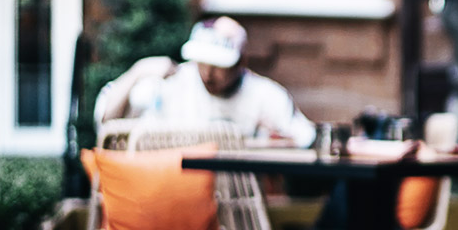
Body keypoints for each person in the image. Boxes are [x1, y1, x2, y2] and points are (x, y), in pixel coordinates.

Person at [94, 15, 316, 148]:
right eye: (201, 62)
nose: (208, 74)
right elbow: (105, 120)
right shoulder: (173, 82)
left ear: (242, 62)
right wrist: (138, 72)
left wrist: (274, 140)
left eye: (219, 65)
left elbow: (305, 139)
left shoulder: (266, 95)